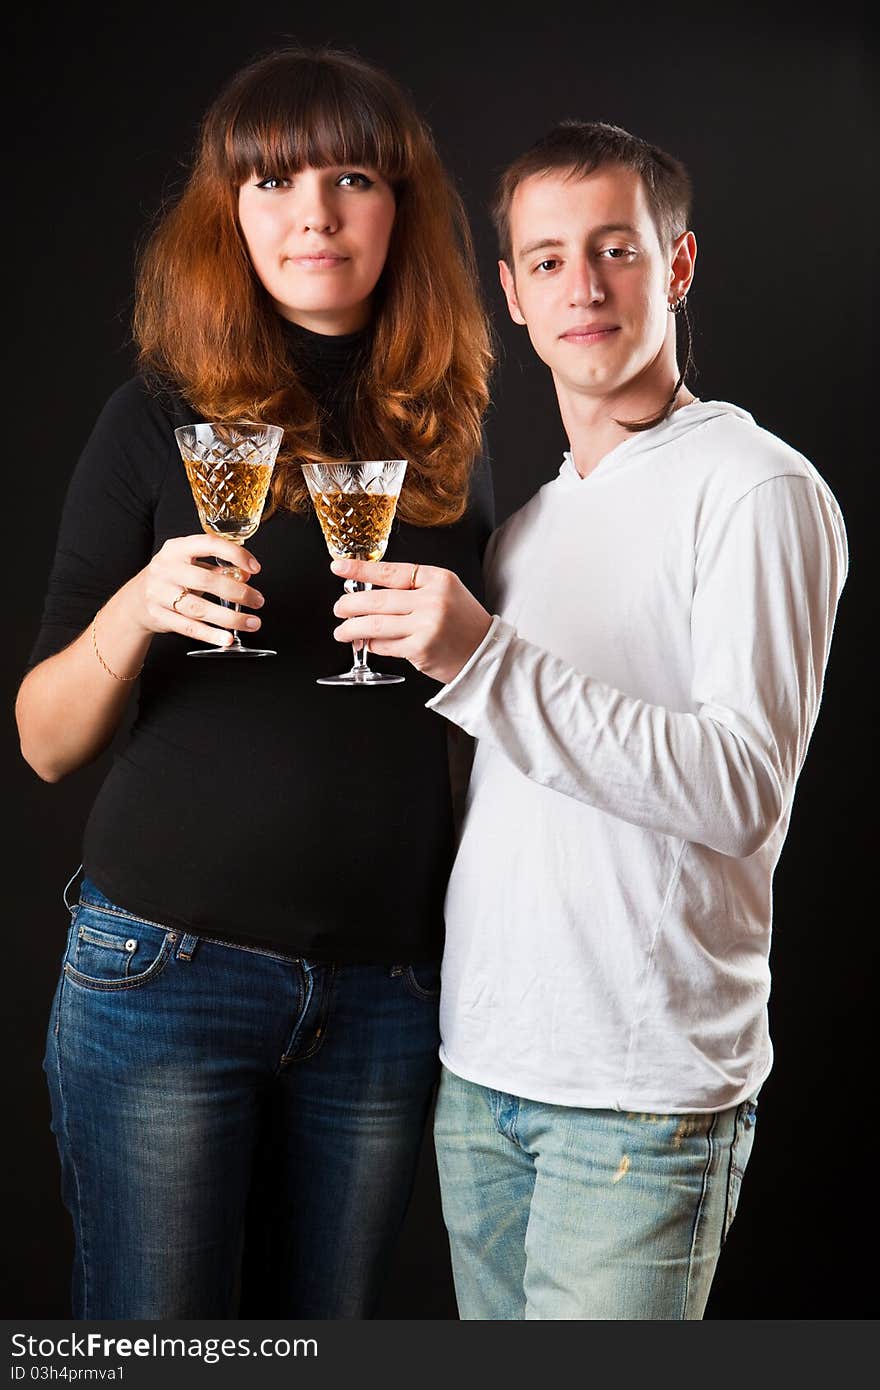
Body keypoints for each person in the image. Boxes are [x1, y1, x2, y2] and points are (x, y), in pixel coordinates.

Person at [328, 120, 848, 1319]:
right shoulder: (523, 533)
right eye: (549, 260)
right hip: (483, 1074)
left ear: (675, 264)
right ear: (510, 293)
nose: (584, 287)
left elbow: (739, 789)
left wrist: (482, 657)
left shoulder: (755, 488)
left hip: (640, 1097)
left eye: (614, 249)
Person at [15, 46, 493, 1319]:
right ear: (227, 210)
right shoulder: (152, 417)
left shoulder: (451, 432)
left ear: (401, 208)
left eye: (351, 178)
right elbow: (46, 743)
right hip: (166, 972)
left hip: (387, 993)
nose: (313, 215)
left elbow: (465, 733)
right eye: (272, 181)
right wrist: (133, 613)